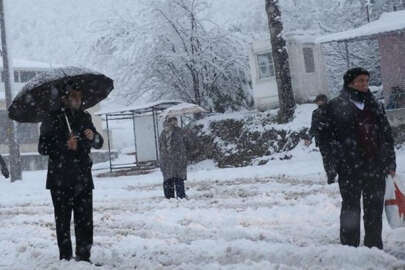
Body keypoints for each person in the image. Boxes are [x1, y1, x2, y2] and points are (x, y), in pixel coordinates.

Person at [320, 67, 396, 250]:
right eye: (360, 80)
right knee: (351, 209)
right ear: (350, 83)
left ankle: (373, 246)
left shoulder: (374, 105)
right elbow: (326, 139)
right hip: (350, 167)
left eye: (366, 81)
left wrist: (390, 161)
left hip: (374, 165)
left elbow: (386, 135)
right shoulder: (336, 106)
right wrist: (332, 165)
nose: (364, 84)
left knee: (374, 209)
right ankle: (349, 248)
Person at [38, 88, 104, 262]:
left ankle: (84, 256)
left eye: (79, 96)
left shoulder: (85, 117)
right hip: (60, 179)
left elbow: (98, 143)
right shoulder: (51, 119)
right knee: (63, 222)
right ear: (64, 98)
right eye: (73, 96)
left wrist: (93, 136)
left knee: (85, 221)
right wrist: (64, 145)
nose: (77, 100)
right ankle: (65, 258)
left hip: (83, 177)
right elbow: (42, 148)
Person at [305, 94, 337, 184]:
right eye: (318, 101)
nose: (319, 102)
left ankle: (334, 173)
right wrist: (309, 137)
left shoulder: (332, 110)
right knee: (326, 159)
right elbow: (313, 127)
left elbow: (335, 124)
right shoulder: (315, 113)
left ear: (325, 100)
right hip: (322, 140)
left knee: (335, 158)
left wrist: (325, 125)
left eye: (321, 100)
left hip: (332, 138)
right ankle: (330, 176)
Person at [159, 116, 189, 199]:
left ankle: (170, 196)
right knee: (177, 178)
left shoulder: (164, 132)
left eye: (176, 120)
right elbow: (184, 143)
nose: (176, 122)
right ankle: (179, 196)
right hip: (176, 158)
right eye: (174, 121)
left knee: (170, 178)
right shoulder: (177, 132)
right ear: (170, 121)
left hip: (168, 159)